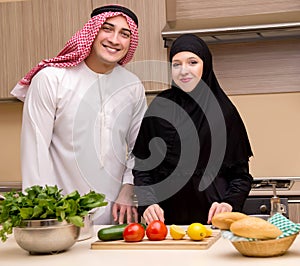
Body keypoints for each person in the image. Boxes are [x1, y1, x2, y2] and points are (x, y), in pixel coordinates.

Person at [11, 5, 147, 224]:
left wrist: (129, 187)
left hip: (115, 217)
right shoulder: (51, 79)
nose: (114, 39)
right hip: (60, 216)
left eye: (124, 34)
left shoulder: (133, 86)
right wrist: (46, 215)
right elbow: (35, 153)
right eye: (107, 29)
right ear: (91, 32)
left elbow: (139, 148)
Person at [133, 34, 253, 225]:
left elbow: (241, 176)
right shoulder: (159, 107)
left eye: (192, 62)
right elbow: (142, 168)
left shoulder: (224, 113)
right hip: (166, 228)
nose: (183, 71)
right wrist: (147, 203)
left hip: (213, 224)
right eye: (176, 64)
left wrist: (229, 204)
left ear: (205, 66)